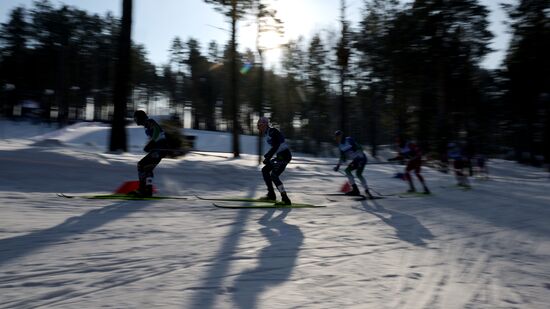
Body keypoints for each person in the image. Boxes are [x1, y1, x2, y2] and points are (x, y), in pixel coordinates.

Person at [130, 110, 168, 197]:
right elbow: (157, 134)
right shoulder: (147, 124)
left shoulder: (149, 122)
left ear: (140, 118)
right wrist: (150, 145)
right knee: (147, 168)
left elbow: (157, 130)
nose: (135, 120)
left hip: (160, 149)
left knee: (141, 165)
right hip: (160, 149)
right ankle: (148, 191)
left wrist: (152, 143)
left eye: (135, 118)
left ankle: (142, 190)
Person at [257, 117, 292, 205]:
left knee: (274, 176)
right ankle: (271, 195)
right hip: (280, 156)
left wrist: (268, 157)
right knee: (265, 170)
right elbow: (275, 147)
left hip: (284, 156)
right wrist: (267, 155)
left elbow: (276, 146)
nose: (258, 128)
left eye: (259, 126)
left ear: (264, 125)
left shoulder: (272, 131)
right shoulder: (268, 133)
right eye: (258, 126)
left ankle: (285, 199)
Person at [333, 130, 374, 198]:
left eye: (339, 136)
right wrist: (338, 166)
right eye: (337, 137)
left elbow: (360, 148)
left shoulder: (348, 140)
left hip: (361, 159)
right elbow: (342, 157)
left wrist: (360, 158)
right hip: (356, 160)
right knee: (347, 171)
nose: (338, 138)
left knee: (358, 174)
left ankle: (367, 190)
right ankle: (355, 190)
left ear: (342, 135)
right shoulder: (340, 145)